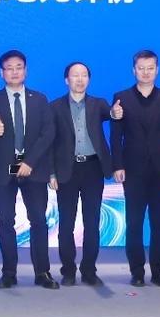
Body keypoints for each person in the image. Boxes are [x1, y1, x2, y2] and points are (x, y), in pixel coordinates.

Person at [110, 49, 160, 288]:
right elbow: (116, 136)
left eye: (150, 68)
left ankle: (158, 272)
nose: (146, 72)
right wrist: (117, 165)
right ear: (134, 70)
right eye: (141, 68)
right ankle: (136, 272)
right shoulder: (122, 97)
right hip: (132, 170)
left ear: (157, 70)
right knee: (134, 223)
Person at [0, 50, 56, 289]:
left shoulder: (40, 99)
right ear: (1, 72)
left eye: (18, 67)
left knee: (39, 221)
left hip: (33, 168)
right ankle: (9, 272)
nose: (14, 72)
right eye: (9, 68)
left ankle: (43, 272)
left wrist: (30, 162)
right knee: (5, 221)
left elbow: (48, 133)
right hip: (3, 169)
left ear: (25, 70)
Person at [48, 62, 113, 287]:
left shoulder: (99, 104)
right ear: (67, 80)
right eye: (75, 75)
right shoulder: (54, 107)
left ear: (89, 79)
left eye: (84, 75)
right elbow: (50, 143)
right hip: (66, 170)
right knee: (66, 223)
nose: (80, 79)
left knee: (92, 222)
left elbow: (114, 116)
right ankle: (68, 270)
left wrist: (116, 113)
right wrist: (51, 173)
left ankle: (89, 270)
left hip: (93, 169)